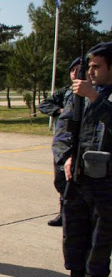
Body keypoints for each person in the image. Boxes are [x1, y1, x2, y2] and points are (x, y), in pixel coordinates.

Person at [49, 42, 112, 277]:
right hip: (77, 177)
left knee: (100, 236)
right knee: (73, 231)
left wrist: (95, 99)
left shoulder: (93, 95)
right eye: (90, 66)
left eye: (97, 66)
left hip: (107, 181)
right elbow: (63, 129)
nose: (91, 72)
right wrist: (65, 157)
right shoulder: (78, 95)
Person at [39, 58, 80, 226]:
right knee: (61, 181)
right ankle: (64, 213)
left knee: (77, 184)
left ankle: (75, 216)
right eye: (73, 70)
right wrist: (60, 110)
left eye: (79, 69)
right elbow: (44, 104)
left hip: (78, 144)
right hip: (61, 145)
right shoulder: (65, 92)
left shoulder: (91, 92)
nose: (75, 73)